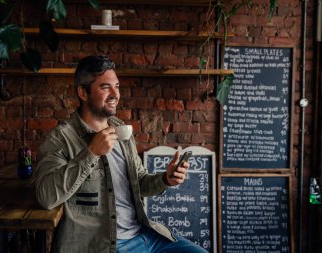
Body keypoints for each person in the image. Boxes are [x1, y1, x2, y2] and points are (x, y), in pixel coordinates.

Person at [35, 55, 207, 253]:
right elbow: (46, 197)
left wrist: (165, 180)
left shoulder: (121, 131)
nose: (115, 94)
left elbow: (139, 182)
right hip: (106, 245)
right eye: (105, 87)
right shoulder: (60, 139)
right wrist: (91, 152)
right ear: (83, 93)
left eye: (116, 86)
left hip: (145, 235)